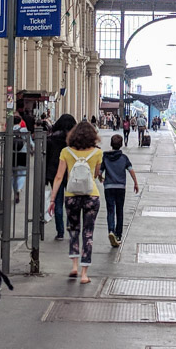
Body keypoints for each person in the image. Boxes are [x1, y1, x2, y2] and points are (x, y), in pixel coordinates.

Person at [48, 120, 102, 283]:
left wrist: (52, 199)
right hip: (91, 195)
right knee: (88, 233)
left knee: (74, 230)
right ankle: (84, 274)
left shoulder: (66, 152)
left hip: (71, 195)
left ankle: (74, 266)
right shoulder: (97, 153)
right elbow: (96, 174)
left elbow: (59, 177)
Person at [100, 133, 139, 248]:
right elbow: (131, 170)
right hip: (120, 188)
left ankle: (111, 230)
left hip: (108, 187)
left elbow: (99, 172)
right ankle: (118, 236)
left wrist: (100, 177)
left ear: (111, 144)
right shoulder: (124, 158)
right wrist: (136, 183)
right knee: (119, 211)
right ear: (121, 145)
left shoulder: (105, 157)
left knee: (110, 210)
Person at [44, 113, 77, 240]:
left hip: (54, 173)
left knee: (57, 203)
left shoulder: (51, 139)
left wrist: (45, 176)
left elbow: (46, 158)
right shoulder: (75, 140)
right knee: (71, 201)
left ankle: (60, 232)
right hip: (71, 173)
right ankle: (70, 224)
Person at [12, 115, 32, 203]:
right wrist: (32, 149)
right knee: (22, 173)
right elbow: (30, 141)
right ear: (20, 122)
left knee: (13, 174)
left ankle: (15, 190)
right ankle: (19, 188)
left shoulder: (9, 130)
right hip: (22, 154)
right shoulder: (23, 130)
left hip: (12, 154)